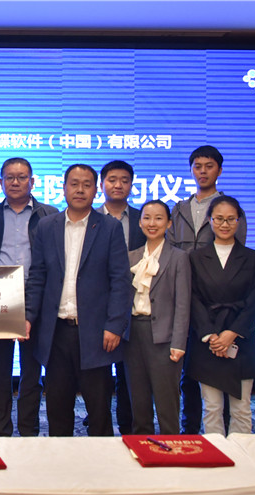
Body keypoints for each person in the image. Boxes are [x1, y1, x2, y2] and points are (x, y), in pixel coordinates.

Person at [25, 164, 131, 437]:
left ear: (96, 190)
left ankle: (100, 461)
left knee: (99, 409)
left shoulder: (109, 227)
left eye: (86, 184)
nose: (80, 190)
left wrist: (115, 325)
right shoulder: (47, 226)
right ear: (63, 188)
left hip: (95, 332)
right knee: (58, 407)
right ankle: (60, 460)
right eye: (74, 184)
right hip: (56, 331)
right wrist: (28, 317)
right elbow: (37, 276)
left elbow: (120, 280)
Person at [0, 157, 58, 437]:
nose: (15, 182)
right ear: (0, 182)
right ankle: (1, 430)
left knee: (32, 373)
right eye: (9, 177)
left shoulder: (49, 214)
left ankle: (28, 430)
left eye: (21, 177)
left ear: (32, 181)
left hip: (36, 296)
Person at [167, 145, 247, 435]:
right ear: (191, 171)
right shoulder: (179, 209)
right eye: (197, 166)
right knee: (189, 370)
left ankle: (222, 433)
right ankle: (189, 431)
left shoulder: (230, 209)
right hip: (184, 298)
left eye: (209, 166)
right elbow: (170, 250)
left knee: (221, 370)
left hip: (218, 302)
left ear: (219, 170)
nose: (203, 171)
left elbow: (236, 254)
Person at [187, 196, 255, 435]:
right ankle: (216, 453)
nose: (224, 224)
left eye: (231, 219)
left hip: (241, 340)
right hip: (208, 341)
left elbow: (254, 303)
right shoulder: (195, 257)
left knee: (241, 408)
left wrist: (231, 334)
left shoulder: (252, 257)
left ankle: (243, 453)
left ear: (239, 221)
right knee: (211, 408)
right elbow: (193, 300)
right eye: (219, 219)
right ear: (210, 220)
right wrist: (211, 335)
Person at [124, 200, 191, 435]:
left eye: (159, 218)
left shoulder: (179, 257)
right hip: (133, 336)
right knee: (138, 402)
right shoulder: (131, 257)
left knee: (166, 404)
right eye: (147, 218)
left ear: (169, 223)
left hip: (164, 338)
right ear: (140, 222)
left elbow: (183, 304)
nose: (152, 223)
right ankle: (142, 447)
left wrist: (179, 343)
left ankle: (173, 448)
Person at [97, 159, 147, 435]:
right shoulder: (89, 217)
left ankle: (129, 428)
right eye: (112, 179)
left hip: (135, 305)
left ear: (131, 184)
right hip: (97, 306)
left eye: (124, 180)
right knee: (99, 374)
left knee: (130, 375)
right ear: (102, 183)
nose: (118, 185)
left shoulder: (144, 219)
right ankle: (98, 423)